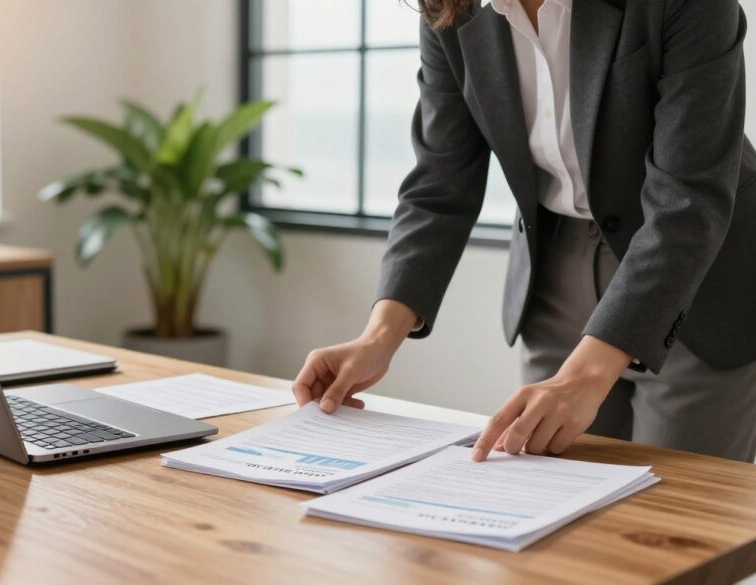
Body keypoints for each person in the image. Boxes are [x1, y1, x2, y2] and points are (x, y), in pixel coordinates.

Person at [292, 0, 756, 463]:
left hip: (695, 280)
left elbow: (686, 203)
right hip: (553, 266)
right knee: (551, 494)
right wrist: (378, 336)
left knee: (676, 511)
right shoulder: (452, 9)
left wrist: (582, 378)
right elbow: (439, 181)